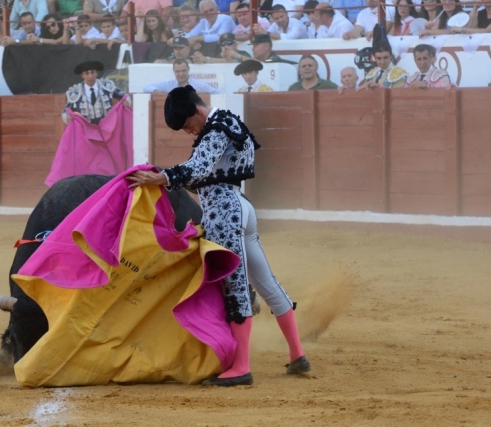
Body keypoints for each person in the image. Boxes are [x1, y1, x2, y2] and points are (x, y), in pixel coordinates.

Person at [126, 86, 311, 386]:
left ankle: (241, 368)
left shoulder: (217, 127)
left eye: (187, 125)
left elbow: (198, 168)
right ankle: (297, 354)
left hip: (223, 211)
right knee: (266, 283)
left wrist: (162, 177)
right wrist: (170, 179)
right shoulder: (224, 125)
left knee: (235, 287)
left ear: (197, 112)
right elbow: (205, 176)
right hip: (239, 207)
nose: (188, 132)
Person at [63, 60, 127, 125]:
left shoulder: (106, 86)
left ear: (97, 73)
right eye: (87, 73)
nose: (90, 76)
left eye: (92, 72)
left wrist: (126, 101)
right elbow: (66, 109)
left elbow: (124, 96)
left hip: (107, 128)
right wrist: (66, 116)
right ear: (82, 75)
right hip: (85, 130)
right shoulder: (75, 91)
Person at [143, 58, 220, 93]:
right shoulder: (169, 84)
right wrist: (157, 92)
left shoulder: (199, 84)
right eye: (177, 71)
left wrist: (202, 95)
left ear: (188, 69)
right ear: (174, 72)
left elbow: (218, 93)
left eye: (183, 71)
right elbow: (146, 88)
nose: (181, 74)